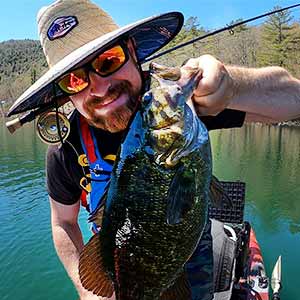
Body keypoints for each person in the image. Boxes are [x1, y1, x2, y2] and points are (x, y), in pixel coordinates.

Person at [7, 0, 300, 299]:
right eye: (75, 79)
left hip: (192, 265)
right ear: (64, 92)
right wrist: (90, 292)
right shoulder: (65, 150)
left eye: (108, 61)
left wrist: (233, 87)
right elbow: (63, 222)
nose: (98, 88)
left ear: (132, 52)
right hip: (119, 269)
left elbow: (294, 98)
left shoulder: (175, 108)